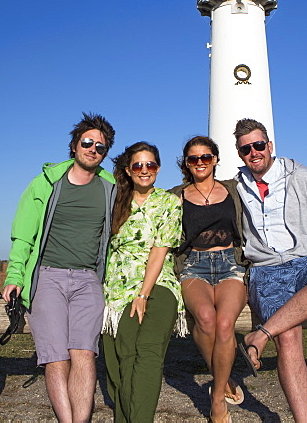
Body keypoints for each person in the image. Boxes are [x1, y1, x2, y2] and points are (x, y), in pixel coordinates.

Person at [232, 118, 307, 423]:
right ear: (239, 153)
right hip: (266, 270)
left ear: (270, 146)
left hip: (306, 262)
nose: (254, 152)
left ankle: (259, 336)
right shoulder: (236, 187)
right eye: (246, 148)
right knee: (288, 336)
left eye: (259, 145)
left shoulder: (303, 176)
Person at [2, 113, 117, 423]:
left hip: (88, 280)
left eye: (101, 147)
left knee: (84, 354)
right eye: (88, 143)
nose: (94, 149)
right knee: (55, 358)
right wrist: (14, 276)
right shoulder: (46, 182)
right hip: (48, 277)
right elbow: (23, 233)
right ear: (74, 145)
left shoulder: (111, 187)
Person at [101, 142, 186, 423]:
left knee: (147, 352)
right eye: (138, 165)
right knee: (119, 363)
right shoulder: (115, 202)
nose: (144, 170)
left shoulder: (169, 202)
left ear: (158, 168)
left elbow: (159, 251)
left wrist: (143, 294)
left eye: (150, 165)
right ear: (128, 170)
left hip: (157, 284)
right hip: (115, 289)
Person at [170, 135, 250, 423]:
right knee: (205, 318)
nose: (200, 163)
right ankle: (223, 378)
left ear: (215, 158)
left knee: (225, 324)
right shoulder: (175, 195)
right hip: (194, 265)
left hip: (231, 264)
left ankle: (217, 400)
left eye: (206, 157)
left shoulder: (234, 190)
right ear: (186, 164)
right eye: (194, 159)